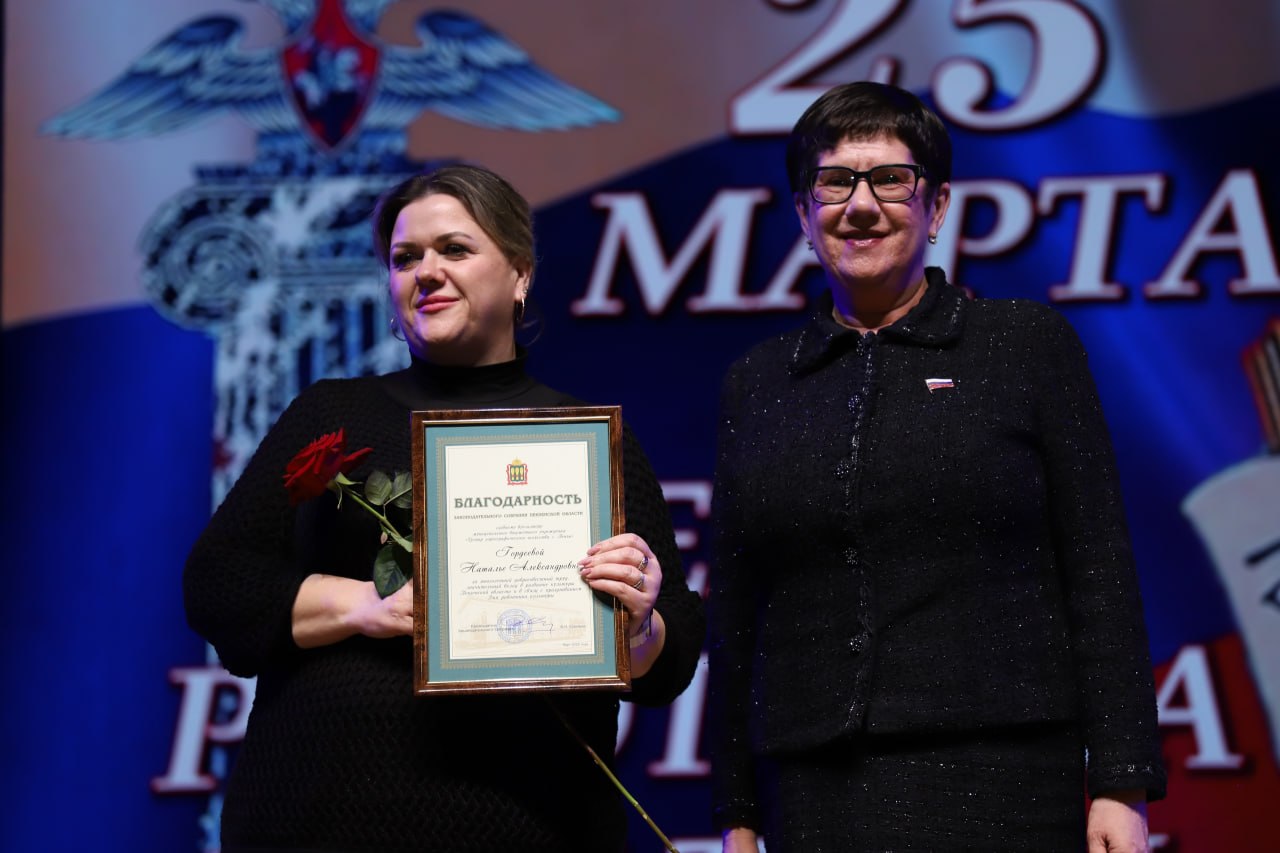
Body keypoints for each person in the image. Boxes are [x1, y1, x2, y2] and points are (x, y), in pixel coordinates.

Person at [184, 164, 705, 853]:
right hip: (320, 815)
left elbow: (674, 652)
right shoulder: (330, 412)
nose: (426, 272)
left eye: (454, 249)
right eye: (405, 258)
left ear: (520, 275)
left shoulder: (584, 439)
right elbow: (219, 581)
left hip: (530, 824)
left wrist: (638, 626)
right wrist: (364, 605)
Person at [707, 82, 1166, 852]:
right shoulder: (758, 383)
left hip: (1008, 779)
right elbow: (736, 611)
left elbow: (1100, 569)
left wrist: (1122, 782)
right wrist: (737, 812)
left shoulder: (1024, 346)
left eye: (891, 179)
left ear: (938, 205)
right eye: (834, 182)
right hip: (818, 791)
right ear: (803, 213)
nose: (861, 205)